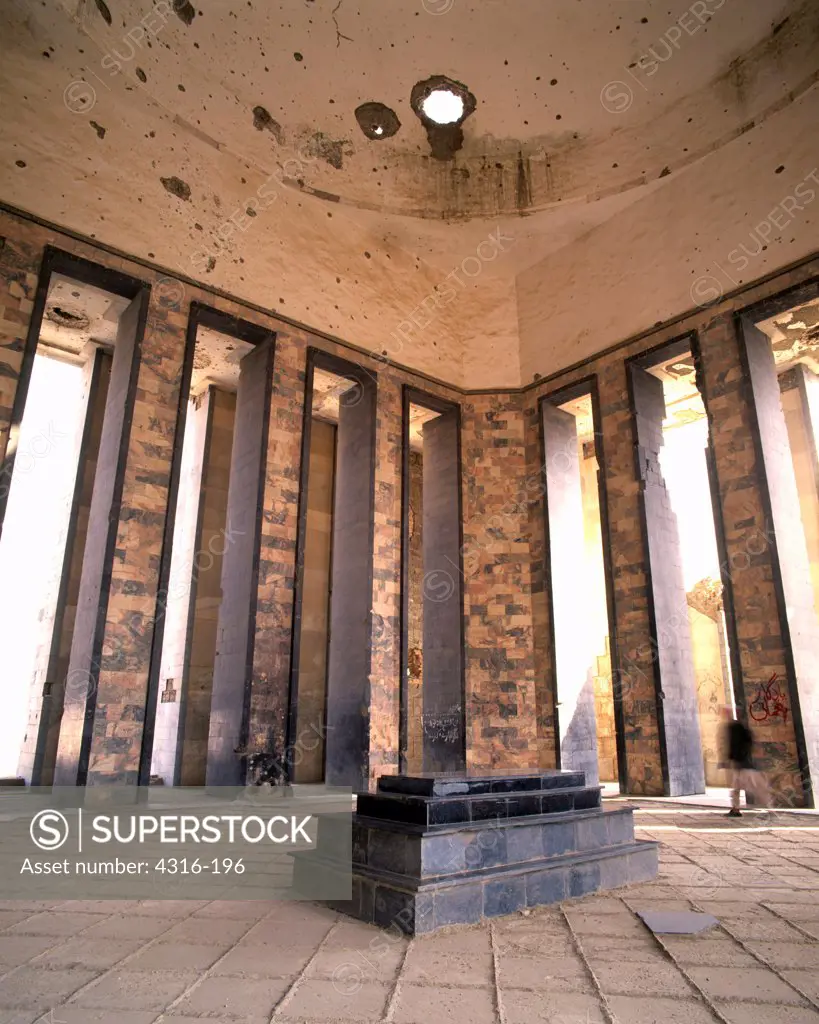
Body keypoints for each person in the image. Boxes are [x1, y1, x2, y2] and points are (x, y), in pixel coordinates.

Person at [719, 706, 771, 817]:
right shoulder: (732, 726)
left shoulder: (737, 727)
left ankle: (770, 809)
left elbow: (744, 743)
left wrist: (740, 757)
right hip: (738, 763)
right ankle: (735, 809)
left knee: (756, 787)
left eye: (725, 712)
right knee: (736, 788)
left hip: (743, 764)